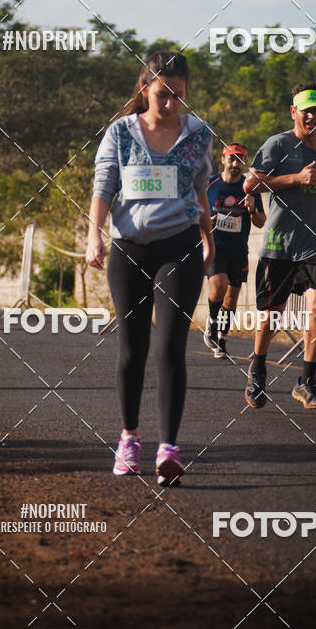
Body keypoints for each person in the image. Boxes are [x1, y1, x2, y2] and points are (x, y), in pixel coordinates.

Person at [86, 51, 214, 486]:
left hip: (179, 246)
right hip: (129, 248)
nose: (171, 103)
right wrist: (94, 235)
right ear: (145, 90)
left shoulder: (199, 136)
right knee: (132, 348)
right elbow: (104, 184)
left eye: (179, 95)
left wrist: (209, 241)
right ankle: (129, 439)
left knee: (170, 348)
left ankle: (169, 450)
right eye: (163, 94)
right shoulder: (120, 133)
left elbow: (200, 192)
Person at [243, 83, 316, 409]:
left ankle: (307, 381)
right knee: (272, 315)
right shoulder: (278, 144)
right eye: (307, 111)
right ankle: (258, 367)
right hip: (280, 243)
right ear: (294, 112)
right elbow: (251, 183)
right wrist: (294, 179)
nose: (313, 117)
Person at [204, 143, 266, 358]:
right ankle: (211, 324)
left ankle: (221, 338)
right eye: (231, 159)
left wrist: (252, 208)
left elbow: (260, 222)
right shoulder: (210, 184)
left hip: (239, 249)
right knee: (218, 287)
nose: (235, 164)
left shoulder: (250, 187)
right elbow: (193, 212)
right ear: (223, 159)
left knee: (231, 298)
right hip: (215, 247)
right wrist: (206, 222)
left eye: (240, 160)